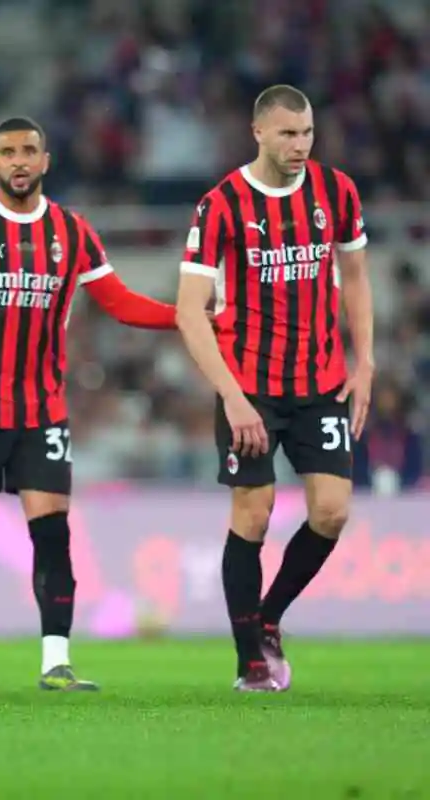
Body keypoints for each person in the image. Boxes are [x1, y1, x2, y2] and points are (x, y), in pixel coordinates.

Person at [0, 117, 178, 693]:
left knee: (53, 535)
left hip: (41, 412)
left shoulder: (72, 232)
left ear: (46, 159)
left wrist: (188, 315)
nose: (19, 161)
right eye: (7, 152)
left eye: (29, 150)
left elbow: (121, 302)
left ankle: (56, 662)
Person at [174, 85, 373, 692]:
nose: (300, 145)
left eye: (307, 133)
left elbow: (357, 277)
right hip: (250, 385)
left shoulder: (335, 191)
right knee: (253, 514)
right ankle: (248, 661)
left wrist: (366, 362)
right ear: (257, 132)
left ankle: (269, 617)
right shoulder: (222, 205)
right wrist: (232, 397)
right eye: (288, 134)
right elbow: (189, 310)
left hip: (320, 383)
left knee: (333, 512)